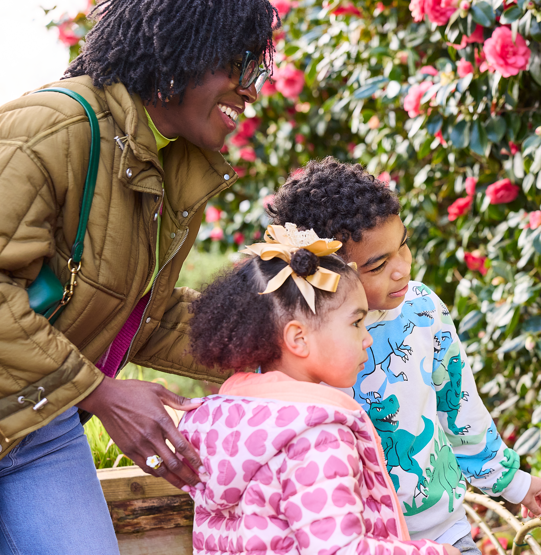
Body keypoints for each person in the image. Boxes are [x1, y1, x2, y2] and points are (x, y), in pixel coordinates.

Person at [0, 0, 279, 552]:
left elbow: (145, 315)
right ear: (177, 55)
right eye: (236, 63)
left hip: (40, 417)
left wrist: (291, 345)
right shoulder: (48, 129)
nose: (250, 87)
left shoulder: (170, 162)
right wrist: (100, 394)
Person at [268, 159, 541, 553]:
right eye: (379, 264)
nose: (402, 269)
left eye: (403, 245)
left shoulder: (422, 308)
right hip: (358, 539)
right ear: (326, 271)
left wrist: (513, 482)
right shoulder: (301, 341)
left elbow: (459, 406)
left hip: (445, 531)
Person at [179, 224, 462, 555]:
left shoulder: (228, 418)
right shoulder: (317, 437)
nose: (367, 338)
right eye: (356, 323)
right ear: (298, 338)